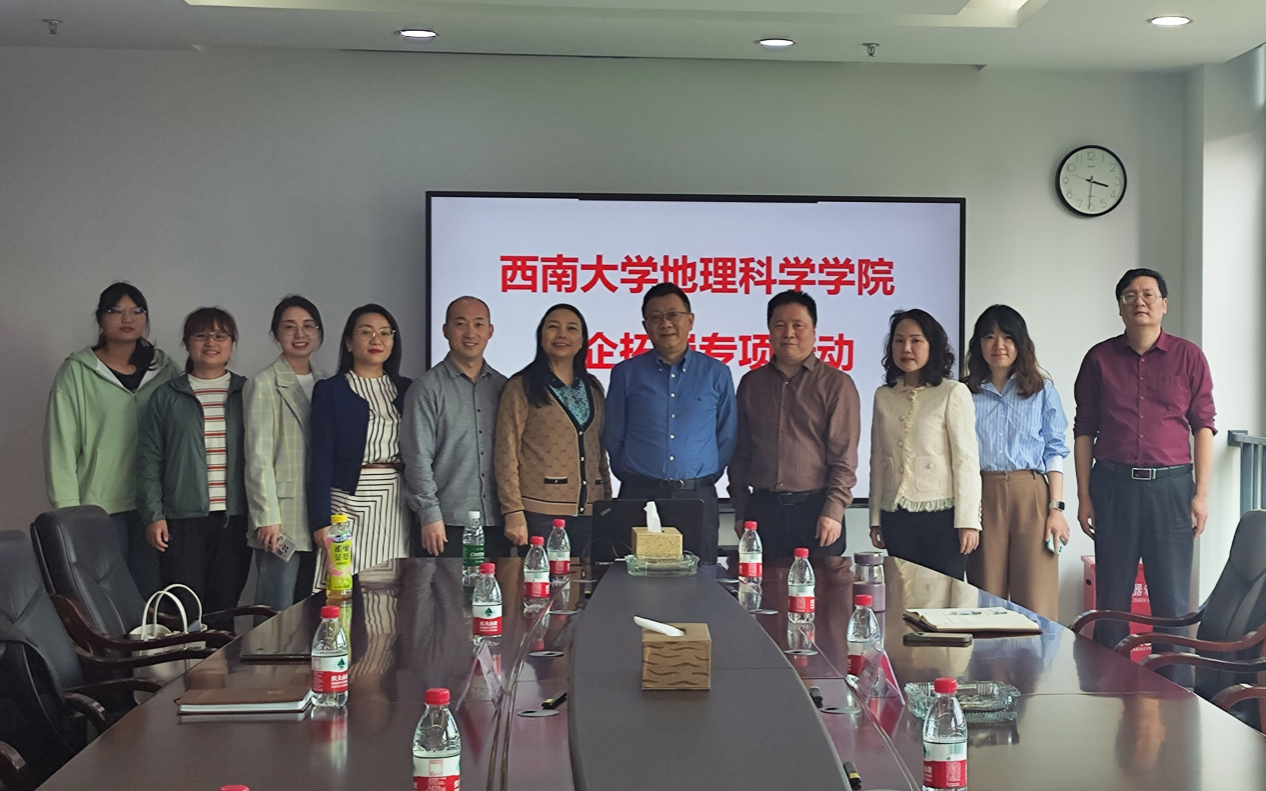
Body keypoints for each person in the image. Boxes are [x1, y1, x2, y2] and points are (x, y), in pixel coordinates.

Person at [1074, 268, 1214, 649]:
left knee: (1172, 604)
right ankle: (1109, 682)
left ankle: (1173, 683)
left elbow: (1203, 426)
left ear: (1164, 304)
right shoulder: (1098, 359)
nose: (1140, 302)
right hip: (1113, 487)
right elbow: (1084, 430)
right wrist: (1084, 495)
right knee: (1111, 604)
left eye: (1149, 294)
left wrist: (1201, 494)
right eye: (1130, 296)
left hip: (1171, 491)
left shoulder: (1189, 357)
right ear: (1120, 307)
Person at [44, 282, 178, 598]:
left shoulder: (165, 369)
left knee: (153, 595)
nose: (127, 318)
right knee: (106, 598)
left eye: (137, 310)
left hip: (155, 507)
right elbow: (60, 449)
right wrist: (70, 515)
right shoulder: (76, 373)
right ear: (100, 319)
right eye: (115, 310)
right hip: (99, 508)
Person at [603, 282, 736, 564]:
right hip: (640, 494)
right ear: (646, 326)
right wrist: (634, 475)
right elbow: (614, 434)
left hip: (697, 496)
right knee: (635, 579)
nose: (665, 324)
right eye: (655, 317)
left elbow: (726, 435)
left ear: (690, 320)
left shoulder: (717, 373)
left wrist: (701, 478)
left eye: (673, 315)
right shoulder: (626, 373)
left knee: (700, 577)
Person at [728, 290, 860, 558]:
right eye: (779, 325)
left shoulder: (836, 384)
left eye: (798, 325)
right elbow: (740, 452)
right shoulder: (751, 383)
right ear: (769, 331)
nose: (788, 333)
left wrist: (833, 512)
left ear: (814, 331)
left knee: (821, 586)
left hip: (816, 512)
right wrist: (741, 510)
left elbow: (844, 458)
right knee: (760, 585)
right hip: (762, 511)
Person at [138, 307, 251, 615]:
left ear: (231, 343)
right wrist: (154, 515)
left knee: (224, 608)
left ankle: (222, 651)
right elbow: (149, 461)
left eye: (220, 336)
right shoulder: (166, 396)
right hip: (182, 519)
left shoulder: (248, 392)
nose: (211, 343)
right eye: (201, 335)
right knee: (183, 609)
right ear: (187, 343)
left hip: (235, 518)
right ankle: (188, 651)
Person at [962, 305, 1069, 620]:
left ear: (1021, 343)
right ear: (978, 344)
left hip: (1031, 495)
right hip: (982, 496)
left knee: (1036, 598)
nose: (999, 345)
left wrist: (1056, 509)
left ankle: (1038, 655)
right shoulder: (963, 393)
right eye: (990, 337)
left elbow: (1054, 450)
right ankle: (990, 655)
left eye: (1008, 337)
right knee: (986, 597)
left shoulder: (1041, 391)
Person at [869, 308, 981, 579]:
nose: (906, 348)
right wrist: (875, 519)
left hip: (943, 517)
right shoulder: (883, 396)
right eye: (899, 340)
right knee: (902, 595)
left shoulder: (952, 392)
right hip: (896, 516)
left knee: (944, 597)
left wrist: (968, 521)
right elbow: (878, 460)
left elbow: (966, 461)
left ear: (933, 345)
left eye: (916, 340)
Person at [309, 304, 413, 588]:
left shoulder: (408, 390)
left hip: (395, 502)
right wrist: (320, 520)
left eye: (385, 333)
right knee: (343, 586)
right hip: (347, 503)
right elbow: (320, 459)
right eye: (366, 332)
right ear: (348, 342)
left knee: (391, 586)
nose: (376, 339)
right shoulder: (331, 390)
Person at [495, 304, 612, 554]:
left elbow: (599, 452)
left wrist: (607, 504)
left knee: (588, 578)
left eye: (572, 329)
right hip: (541, 515)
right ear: (541, 336)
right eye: (553, 327)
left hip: (590, 513)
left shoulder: (593, 387)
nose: (562, 335)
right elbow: (506, 452)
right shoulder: (522, 386)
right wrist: (513, 511)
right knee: (541, 579)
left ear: (582, 340)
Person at [401, 296, 509, 558]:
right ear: (445, 330)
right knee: (444, 587)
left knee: (496, 586)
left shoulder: (504, 388)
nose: (470, 333)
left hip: (498, 522)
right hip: (446, 523)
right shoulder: (426, 388)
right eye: (460, 324)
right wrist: (429, 514)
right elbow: (417, 458)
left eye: (478, 324)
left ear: (490, 331)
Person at [244, 296, 329, 613]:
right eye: (290, 327)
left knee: (312, 606)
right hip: (281, 518)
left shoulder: (326, 382)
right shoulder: (264, 383)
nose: (300, 334)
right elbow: (257, 456)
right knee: (275, 608)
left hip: (319, 513)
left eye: (309, 326)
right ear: (276, 334)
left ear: (319, 333)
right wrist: (266, 517)